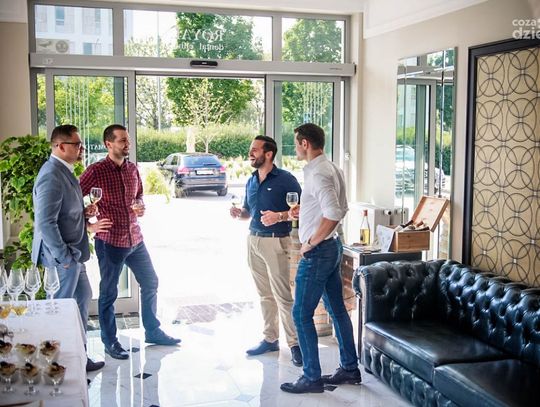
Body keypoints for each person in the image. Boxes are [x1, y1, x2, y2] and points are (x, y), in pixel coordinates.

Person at [79, 124, 180, 360]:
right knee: (109, 293)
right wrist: (87, 222)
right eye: (122, 140)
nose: (128, 144)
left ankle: (153, 331)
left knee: (151, 281)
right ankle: (110, 341)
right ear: (108, 144)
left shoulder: (132, 169)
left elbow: (138, 195)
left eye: (128, 140)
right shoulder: (96, 171)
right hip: (110, 241)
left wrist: (140, 205)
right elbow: (72, 197)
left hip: (135, 239)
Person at [280, 123, 361, 394]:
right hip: (332, 247)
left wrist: (311, 242)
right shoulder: (331, 168)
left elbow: (334, 213)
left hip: (318, 251)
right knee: (336, 308)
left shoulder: (318, 173)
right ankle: (349, 368)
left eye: (296, 143)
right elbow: (340, 207)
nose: (296, 147)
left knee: (301, 313)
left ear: (305, 143)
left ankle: (311, 377)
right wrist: (305, 211)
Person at [32, 124, 111, 373]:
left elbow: (64, 213)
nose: (81, 149)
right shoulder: (51, 174)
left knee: (82, 298)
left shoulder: (65, 170)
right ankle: (56, 363)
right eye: (77, 144)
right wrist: (64, 257)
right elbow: (46, 223)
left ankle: (78, 357)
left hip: (74, 254)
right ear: (60, 146)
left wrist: (84, 213)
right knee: (59, 309)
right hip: (62, 257)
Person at [230, 135, 303, 367]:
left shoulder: (286, 180)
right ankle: (270, 339)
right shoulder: (251, 180)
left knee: (283, 296)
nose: (250, 153)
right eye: (251, 149)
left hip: (276, 242)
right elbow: (248, 212)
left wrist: (279, 216)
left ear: (268, 154)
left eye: (255, 149)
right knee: (264, 295)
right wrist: (239, 214)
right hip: (253, 241)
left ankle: (295, 344)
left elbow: (301, 210)